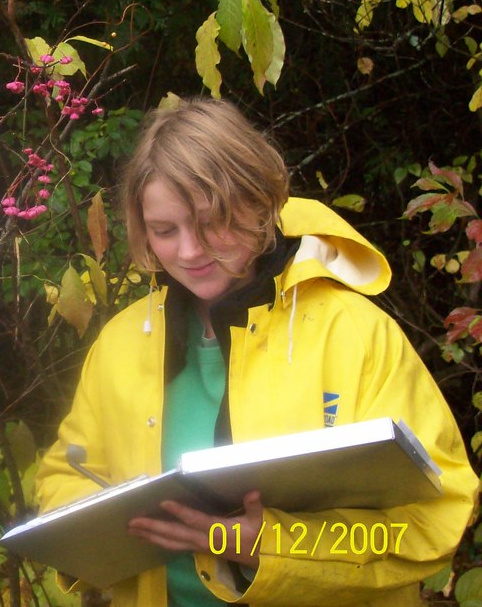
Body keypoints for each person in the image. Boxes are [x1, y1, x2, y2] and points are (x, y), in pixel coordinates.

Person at [35, 97, 478, 606]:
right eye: (164, 231)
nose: (189, 251)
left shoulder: (353, 333)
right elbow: (63, 476)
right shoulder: (121, 341)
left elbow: (436, 516)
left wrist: (275, 544)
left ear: (261, 201)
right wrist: (105, 527)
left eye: (211, 223)